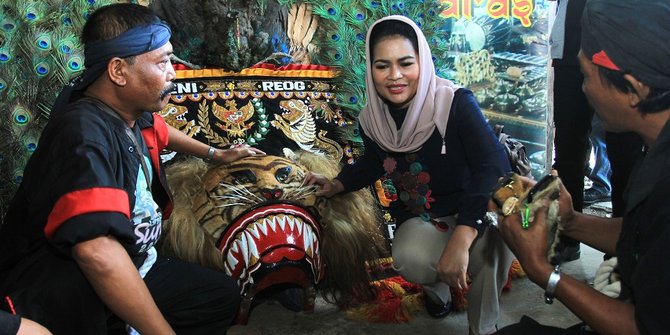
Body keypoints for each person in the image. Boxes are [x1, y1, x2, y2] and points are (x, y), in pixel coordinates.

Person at [0, 4, 263, 334]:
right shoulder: (83, 135)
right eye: (163, 62)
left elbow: (161, 131)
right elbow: (97, 252)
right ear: (118, 71)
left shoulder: (127, 111)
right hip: (73, 289)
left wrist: (217, 153)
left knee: (217, 296)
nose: (173, 73)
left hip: (138, 261)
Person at [306, 15, 513, 335]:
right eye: (382, 65)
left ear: (423, 62)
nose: (395, 75)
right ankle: (439, 295)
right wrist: (336, 184)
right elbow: (374, 162)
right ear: (370, 69)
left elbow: (493, 166)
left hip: (478, 209)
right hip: (428, 214)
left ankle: (483, 327)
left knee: (495, 248)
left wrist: (465, 234)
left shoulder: (454, 103)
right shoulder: (372, 118)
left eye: (405, 63)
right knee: (409, 256)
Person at [495, 0, 670, 333]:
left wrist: (543, 272)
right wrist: (571, 221)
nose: (583, 90)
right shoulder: (655, 150)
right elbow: (644, 235)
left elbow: (644, 327)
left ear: (632, 88)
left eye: (586, 77)